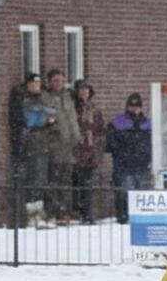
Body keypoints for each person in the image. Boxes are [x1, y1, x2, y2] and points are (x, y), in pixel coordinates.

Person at [9, 72, 56, 225]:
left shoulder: (42, 99)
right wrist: (44, 118)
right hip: (30, 144)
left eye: (38, 84)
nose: (37, 86)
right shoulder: (24, 100)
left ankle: (40, 210)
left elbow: (51, 116)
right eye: (34, 84)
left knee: (41, 179)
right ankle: (32, 214)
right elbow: (30, 120)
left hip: (43, 144)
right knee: (33, 179)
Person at [106, 93, 152, 224]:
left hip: (141, 165)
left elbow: (152, 144)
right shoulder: (118, 123)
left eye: (137, 106)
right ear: (127, 106)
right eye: (132, 105)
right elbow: (110, 143)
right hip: (123, 165)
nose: (134, 108)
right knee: (123, 192)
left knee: (139, 193)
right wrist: (121, 154)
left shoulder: (147, 124)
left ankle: (137, 217)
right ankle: (123, 217)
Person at [44, 69, 80, 223]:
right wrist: (54, 130)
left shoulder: (68, 97)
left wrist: (76, 136)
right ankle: (53, 211)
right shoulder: (46, 98)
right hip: (55, 144)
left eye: (61, 80)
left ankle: (65, 211)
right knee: (54, 179)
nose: (58, 83)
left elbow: (72, 118)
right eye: (55, 80)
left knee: (66, 180)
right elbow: (45, 120)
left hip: (69, 146)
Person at [72, 79, 104, 223]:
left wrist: (96, 151)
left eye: (86, 89)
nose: (84, 92)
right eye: (81, 89)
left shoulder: (94, 109)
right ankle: (76, 212)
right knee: (75, 184)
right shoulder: (73, 108)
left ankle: (87, 213)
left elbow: (99, 131)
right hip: (76, 150)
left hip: (90, 152)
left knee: (87, 185)